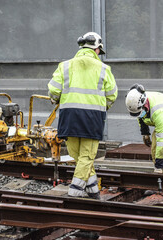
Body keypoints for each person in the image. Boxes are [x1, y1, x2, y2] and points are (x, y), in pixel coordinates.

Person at [48, 32, 117, 199]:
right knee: (86, 156)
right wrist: (101, 106)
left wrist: (59, 100)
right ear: (97, 49)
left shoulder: (65, 66)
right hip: (92, 118)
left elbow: (53, 90)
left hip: (69, 116)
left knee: (77, 155)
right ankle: (75, 192)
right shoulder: (103, 68)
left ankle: (93, 190)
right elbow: (112, 94)